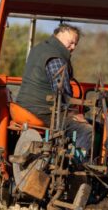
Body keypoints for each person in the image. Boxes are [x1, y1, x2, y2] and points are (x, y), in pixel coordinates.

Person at [15, 23, 92, 152]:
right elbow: (62, 93)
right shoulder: (56, 57)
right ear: (60, 34)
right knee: (87, 130)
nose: (73, 47)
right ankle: (79, 167)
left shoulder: (39, 48)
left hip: (24, 105)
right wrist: (74, 113)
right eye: (71, 42)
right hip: (43, 111)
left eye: (75, 45)